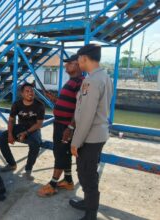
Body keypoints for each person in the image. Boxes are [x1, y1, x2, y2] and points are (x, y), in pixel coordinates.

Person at [69, 44, 113, 220]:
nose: (78, 62)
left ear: (85, 58)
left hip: (90, 136)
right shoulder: (104, 76)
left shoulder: (91, 81)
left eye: (79, 59)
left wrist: (75, 142)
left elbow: (86, 116)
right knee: (86, 171)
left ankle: (91, 213)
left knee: (87, 174)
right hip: (99, 134)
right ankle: (87, 203)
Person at [37, 54, 84, 196]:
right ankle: (68, 180)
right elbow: (68, 102)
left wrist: (70, 127)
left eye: (69, 63)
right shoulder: (71, 81)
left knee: (60, 153)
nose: (65, 65)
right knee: (65, 153)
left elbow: (80, 108)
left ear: (77, 65)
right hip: (60, 124)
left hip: (65, 126)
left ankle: (52, 184)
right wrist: (54, 98)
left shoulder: (80, 82)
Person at [0, 83, 45, 180]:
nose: (30, 93)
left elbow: (39, 124)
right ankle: (11, 164)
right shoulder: (17, 104)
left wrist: (26, 133)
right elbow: (11, 120)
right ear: (22, 94)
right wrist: (10, 134)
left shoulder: (39, 105)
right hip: (20, 126)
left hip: (34, 129)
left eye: (32, 91)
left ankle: (28, 169)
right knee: (2, 138)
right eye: (27, 91)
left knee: (35, 143)